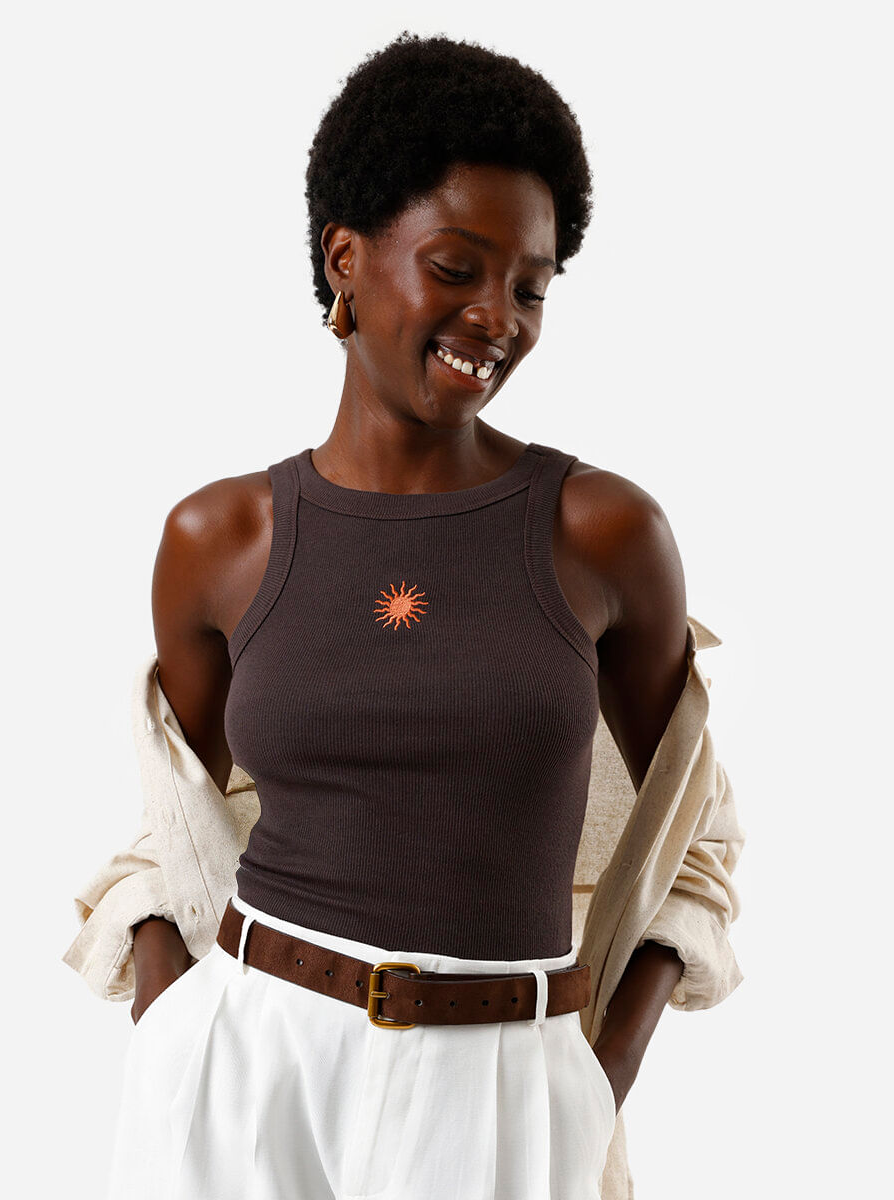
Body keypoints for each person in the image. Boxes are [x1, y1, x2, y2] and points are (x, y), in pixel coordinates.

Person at [103, 30, 729, 1200]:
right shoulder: (219, 537)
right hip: (245, 1068)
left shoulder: (603, 533)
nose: (498, 318)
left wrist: (593, 1075)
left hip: (503, 1082)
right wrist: (168, 1021)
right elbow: (169, 816)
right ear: (345, 258)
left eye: (531, 287)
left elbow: (694, 828)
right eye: (456, 269)